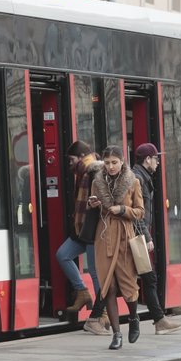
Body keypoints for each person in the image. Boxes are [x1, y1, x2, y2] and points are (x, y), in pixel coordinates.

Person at [90, 145, 145, 350]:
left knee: (128, 285)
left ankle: (133, 318)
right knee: (108, 287)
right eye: (107, 163)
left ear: (122, 161)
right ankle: (116, 334)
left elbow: (140, 212)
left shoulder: (133, 182)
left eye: (114, 162)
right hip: (104, 238)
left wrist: (122, 209)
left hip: (124, 237)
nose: (111, 166)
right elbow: (92, 207)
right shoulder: (97, 182)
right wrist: (92, 203)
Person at [54, 140, 108, 335]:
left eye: (71, 159)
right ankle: (83, 292)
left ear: (80, 157)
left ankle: (102, 314)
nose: (69, 163)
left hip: (93, 230)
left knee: (94, 271)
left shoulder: (93, 171)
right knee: (63, 254)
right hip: (82, 230)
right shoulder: (83, 172)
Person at [132, 143, 181, 334]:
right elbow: (136, 213)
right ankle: (159, 321)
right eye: (156, 158)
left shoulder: (142, 177)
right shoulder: (137, 179)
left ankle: (159, 320)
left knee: (144, 277)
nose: (158, 162)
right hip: (136, 236)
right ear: (147, 160)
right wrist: (146, 236)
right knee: (149, 277)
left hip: (137, 234)